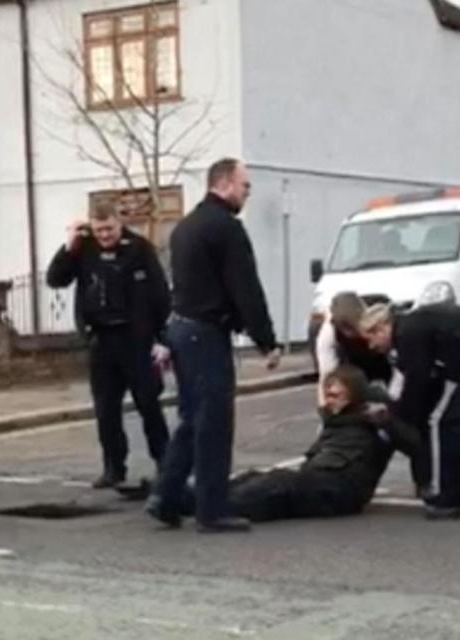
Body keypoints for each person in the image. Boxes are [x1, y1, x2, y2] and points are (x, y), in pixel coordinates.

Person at [146, 157, 282, 533]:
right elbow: (245, 288)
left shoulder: (185, 227)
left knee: (192, 419)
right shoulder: (226, 229)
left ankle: (167, 495)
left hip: (182, 331)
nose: (247, 193)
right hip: (206, 335)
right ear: (223, 184)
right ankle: (211, 508)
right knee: (214, 424)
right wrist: (266, 341)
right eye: (244, 186)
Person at [46, 202, 171, 488]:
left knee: (149, 404)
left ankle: (165, 464)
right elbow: (56, 279)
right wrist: (69, 244)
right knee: (106, 410)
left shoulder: (139, 249)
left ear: (120, 223)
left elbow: (160, 295)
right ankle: (114, 467)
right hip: (101, 339)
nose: (104, 236)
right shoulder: (84, 249)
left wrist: (162, 339)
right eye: (98, 229)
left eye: (109, 229)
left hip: (136, 339)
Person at [360, 302, 460, 519]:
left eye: (370, 339)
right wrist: (410, 414)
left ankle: (452, 501)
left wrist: (391, 414)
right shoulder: (413, 327)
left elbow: (417, 383)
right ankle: (458, 497)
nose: (371, 347)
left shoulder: (408, 333)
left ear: (381, 328)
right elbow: (430, 382)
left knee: (455, 425)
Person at [224, 366, 421, 522]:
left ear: (353, 395)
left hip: (343, 489)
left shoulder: (376, 420)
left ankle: (223, 507)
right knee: (253, 477)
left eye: (336, 396)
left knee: (277, 483)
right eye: (328, 396)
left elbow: (415, 445)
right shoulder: (335, 418)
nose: (329, 402)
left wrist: (386, 422)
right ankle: (205, 500)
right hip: (317, 478)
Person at [314, 292, 393, 407]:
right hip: (355, 368)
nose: (350, 333)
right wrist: (327, 412)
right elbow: (327, 376)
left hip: (384, 365)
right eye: (348, 330)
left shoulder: (379, 313)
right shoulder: (329, 333)